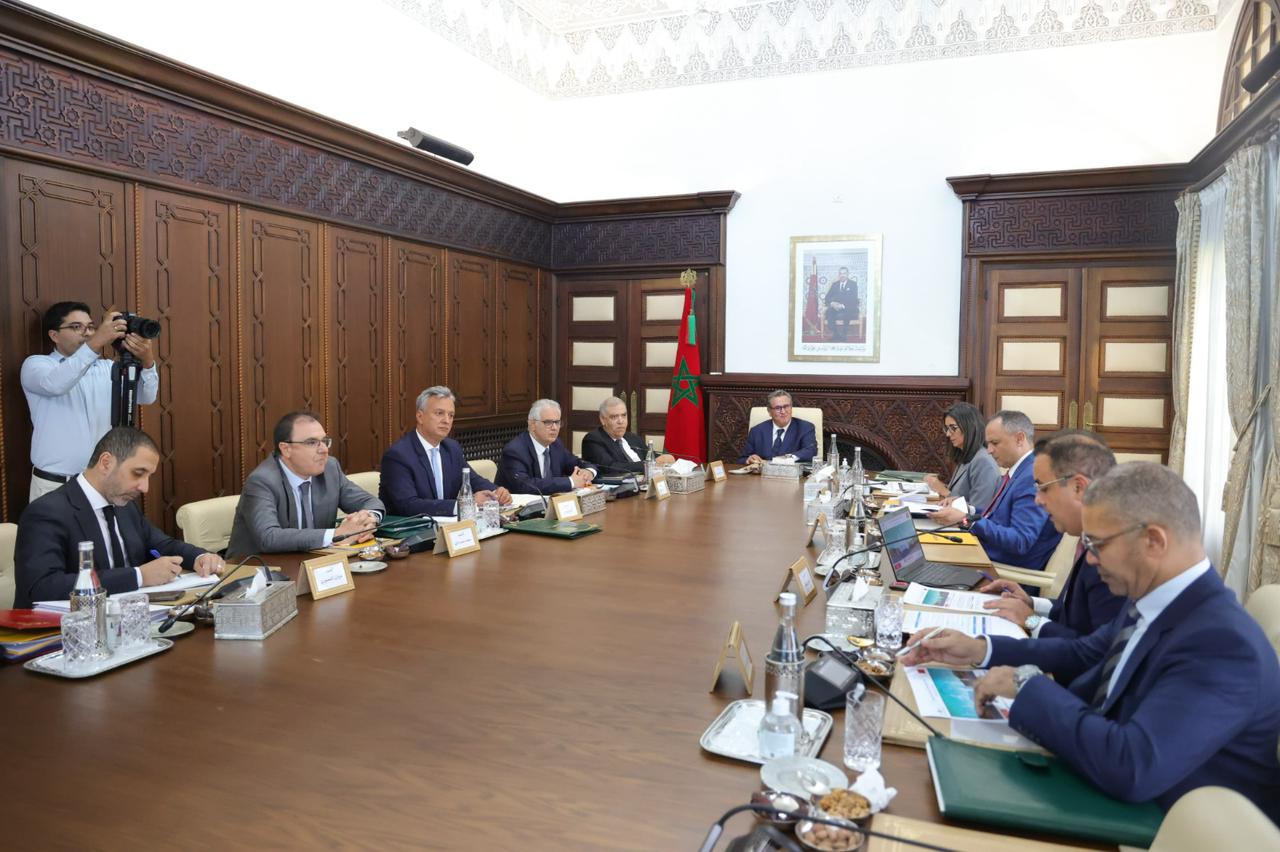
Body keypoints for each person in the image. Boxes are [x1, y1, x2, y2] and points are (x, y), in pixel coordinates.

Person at [902, 463, 1280, 822]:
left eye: (1097, 544)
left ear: (1153, 541)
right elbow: (1082, 652)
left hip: (1163, 826)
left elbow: (1131, 765)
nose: (1092, 560)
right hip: (1104, 784)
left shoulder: (1222, 644)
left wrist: (1025, 683)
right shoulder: (1155, 595)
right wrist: (981, 649)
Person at [13, 427, 222, 608]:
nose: (145, 487)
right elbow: (41, 587)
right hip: (63, 631)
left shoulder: (124, 505)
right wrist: (138, 576)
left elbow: (161, 544)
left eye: (148, 476)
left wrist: (200, 557)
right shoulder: (47, 512)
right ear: (106, 463)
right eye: (138, 473)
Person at [979, 433, 1127, 638]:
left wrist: (1031, 621)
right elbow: (1072, 612)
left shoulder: (1112, 555)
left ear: (1078, 487)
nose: (1037, 500)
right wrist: (1030, 602)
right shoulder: (1089, 537)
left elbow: (1091, 648)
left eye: (1043, 488)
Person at [20, 302, 159, 501]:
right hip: (55, 485)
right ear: (54, 335)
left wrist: (147, 361)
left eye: (91, 327)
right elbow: (56, 384)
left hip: (100, 483)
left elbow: (146, 397)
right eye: (76, 327)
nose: (87, 333)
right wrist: (97, 341)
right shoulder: (37, 365)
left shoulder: (107, 368)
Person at [226, 411, 385, 556]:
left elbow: (370, 502)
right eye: (312, 442)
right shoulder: (262, 481)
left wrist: (368, 521)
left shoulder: (329, 469)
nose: (324, 450)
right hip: (258, 570)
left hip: (314, 564)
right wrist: (337, 534)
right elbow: (268, 537)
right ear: (286, 449)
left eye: (324, 441)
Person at [928, 410, 1060, 569]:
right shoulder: (1020, 470)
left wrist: (967, 520)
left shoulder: (1031, 476)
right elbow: (998, 516)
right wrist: (968, 510)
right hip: (985, 554)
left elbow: (1021, 541)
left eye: (995, 443)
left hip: (1001, 569)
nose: (989, 450)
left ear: (1019, 438)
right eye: (988, 443)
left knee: (928, 561)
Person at [379, 386, 512, 516]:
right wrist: (462, 505)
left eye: (451, 415)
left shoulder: (451, 448)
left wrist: (497, 492)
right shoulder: (398, 456)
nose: (447, 421)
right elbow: (408, 504)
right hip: (410, 528)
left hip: (448, 526)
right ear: (420, 417)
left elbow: (472, 480)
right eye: (439, 413)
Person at [495, 399, 597, 495]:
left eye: (557, 422)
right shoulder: (515, 451)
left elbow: (577, 464)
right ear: (532, 424)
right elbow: (525, 486)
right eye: (548, 422)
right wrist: (570, 482)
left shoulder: (556, 445)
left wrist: (588, 471)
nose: (554, 428)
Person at [922, 402, 1000, 512]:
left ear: (969, 427)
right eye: (947, 428)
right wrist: (938, 486)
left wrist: (944, 491)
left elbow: (979, 509)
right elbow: (961, 494)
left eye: (953, 428)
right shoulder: (967, 456)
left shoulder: (983, 461)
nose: (948, 434)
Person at [580, 397, 674, 476]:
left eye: (624, 415)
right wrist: (650, 464)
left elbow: (651, 456)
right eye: (614, 417)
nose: (621, 421)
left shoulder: (632, 437)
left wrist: (665, 459)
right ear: (603, 420)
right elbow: (611, 468)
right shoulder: (593, 440)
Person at [740, 390, 818, 465]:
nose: (783, 411)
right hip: (762, 473)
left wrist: (787, 458)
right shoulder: (756, 431)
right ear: (769, 411)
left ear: (791, 407)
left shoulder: (805, 428)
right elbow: (742, 459)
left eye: (786, 406)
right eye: (778, 408)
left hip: (790, 473)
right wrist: (749, 460)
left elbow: (811, 451)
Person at [823, 267, 860, 342]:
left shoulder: (853, 284)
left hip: (848, 306)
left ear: (847, 274)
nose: (842, 275)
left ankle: (844, 335)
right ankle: (835, 334)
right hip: (836, 307)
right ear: (838, 275)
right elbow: (827, 298)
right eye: (840, 273)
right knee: (829, 311)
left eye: (844, 273)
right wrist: (832, 303)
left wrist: (842, 305)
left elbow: (853, 299)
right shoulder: (835, 284)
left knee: (847, 311)